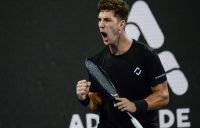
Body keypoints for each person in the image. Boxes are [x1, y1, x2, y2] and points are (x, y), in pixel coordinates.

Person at [76, 0, 169, 127]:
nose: (101, 25)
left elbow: (163, 96)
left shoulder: (147, 55)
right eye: (99, 20)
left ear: (121, 24)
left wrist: (135, 106)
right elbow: (97, 103)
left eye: (107, 20)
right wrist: (84, 98)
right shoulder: (96, 63)